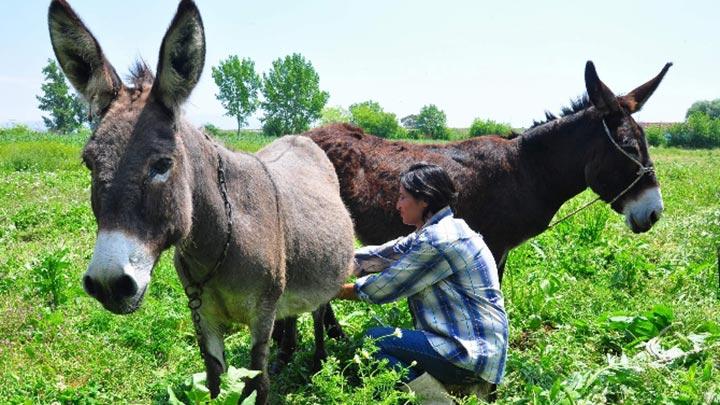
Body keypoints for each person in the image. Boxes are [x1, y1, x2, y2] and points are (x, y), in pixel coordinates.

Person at [335, 162, 508, 402]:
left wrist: (332, 291)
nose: (397, 205)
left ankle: (440, 401)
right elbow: (382, 255)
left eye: (403, 197)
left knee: (375, 341)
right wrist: (332, 263)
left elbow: (383, 288)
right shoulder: (439, 231)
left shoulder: (440, 241)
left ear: (424, 200)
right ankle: (463, 390)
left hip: (469, 351)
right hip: (476, 347)